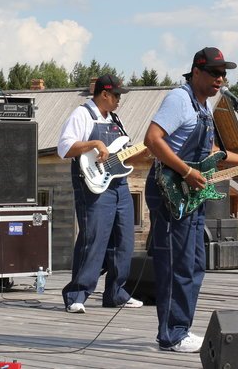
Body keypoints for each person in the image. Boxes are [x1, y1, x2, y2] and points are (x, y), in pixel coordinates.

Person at [144, 47, 238, 354]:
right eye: (214, 73)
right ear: (196, 72)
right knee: (177, 264)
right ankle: (171, 335)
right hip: (170, 191)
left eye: (223, 74)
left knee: (195, 262)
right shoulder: (179, 99)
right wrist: (186, 171)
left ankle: (180, 329)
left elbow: (211, 152)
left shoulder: (205, 108)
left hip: (191, 196)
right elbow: (152, 139)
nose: (220, 79)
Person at [57, 74, 143, 314]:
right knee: (93, 238)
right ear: (104, 94)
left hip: (119, 185)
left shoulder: (115, 119)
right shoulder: (82, 114)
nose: (119, 100)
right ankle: (76, 295)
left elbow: (119, 154)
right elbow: (64, 148)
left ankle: (116, 293)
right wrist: (94, 143)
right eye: (116, 95)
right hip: (92, 186)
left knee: (124, 240)